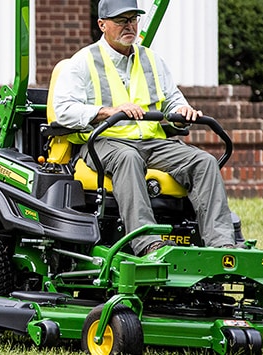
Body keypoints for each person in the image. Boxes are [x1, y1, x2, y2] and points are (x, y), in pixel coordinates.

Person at [50, 0, 239, 256]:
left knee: (203, 161)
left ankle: (222, 245)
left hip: (152, 142)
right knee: (129, 159)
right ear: (102, 25)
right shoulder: (82, 62)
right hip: (105, 142)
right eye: (121, 20)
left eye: (133, 19)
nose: (129, 26)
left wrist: (183, 113)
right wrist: (106, 112)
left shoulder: (152, 61)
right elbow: (64, 111)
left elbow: (173, 99)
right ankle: (148, 243)